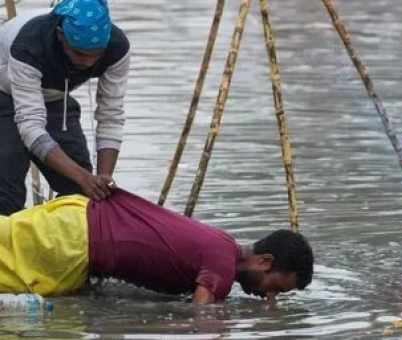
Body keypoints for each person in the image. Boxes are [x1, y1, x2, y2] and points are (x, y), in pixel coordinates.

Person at [0, 188, 314, 304]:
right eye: (277, 288)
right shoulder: (222, 265)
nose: (270, 297)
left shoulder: (221, 243)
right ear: (264, 261)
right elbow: (200, 320)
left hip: (75, 217)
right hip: (74, 242)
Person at [0, 0, 130, 215]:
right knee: (6, 198)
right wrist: (82, 176)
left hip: (55, 98)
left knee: (81, 194)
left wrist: (103, 178)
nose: (89, 63)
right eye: (80, 54)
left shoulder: (117, 48)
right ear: (61, 37)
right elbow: (30, 125)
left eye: (97, 54)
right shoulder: (30, 44)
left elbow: (111, 116)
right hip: (4, 95)